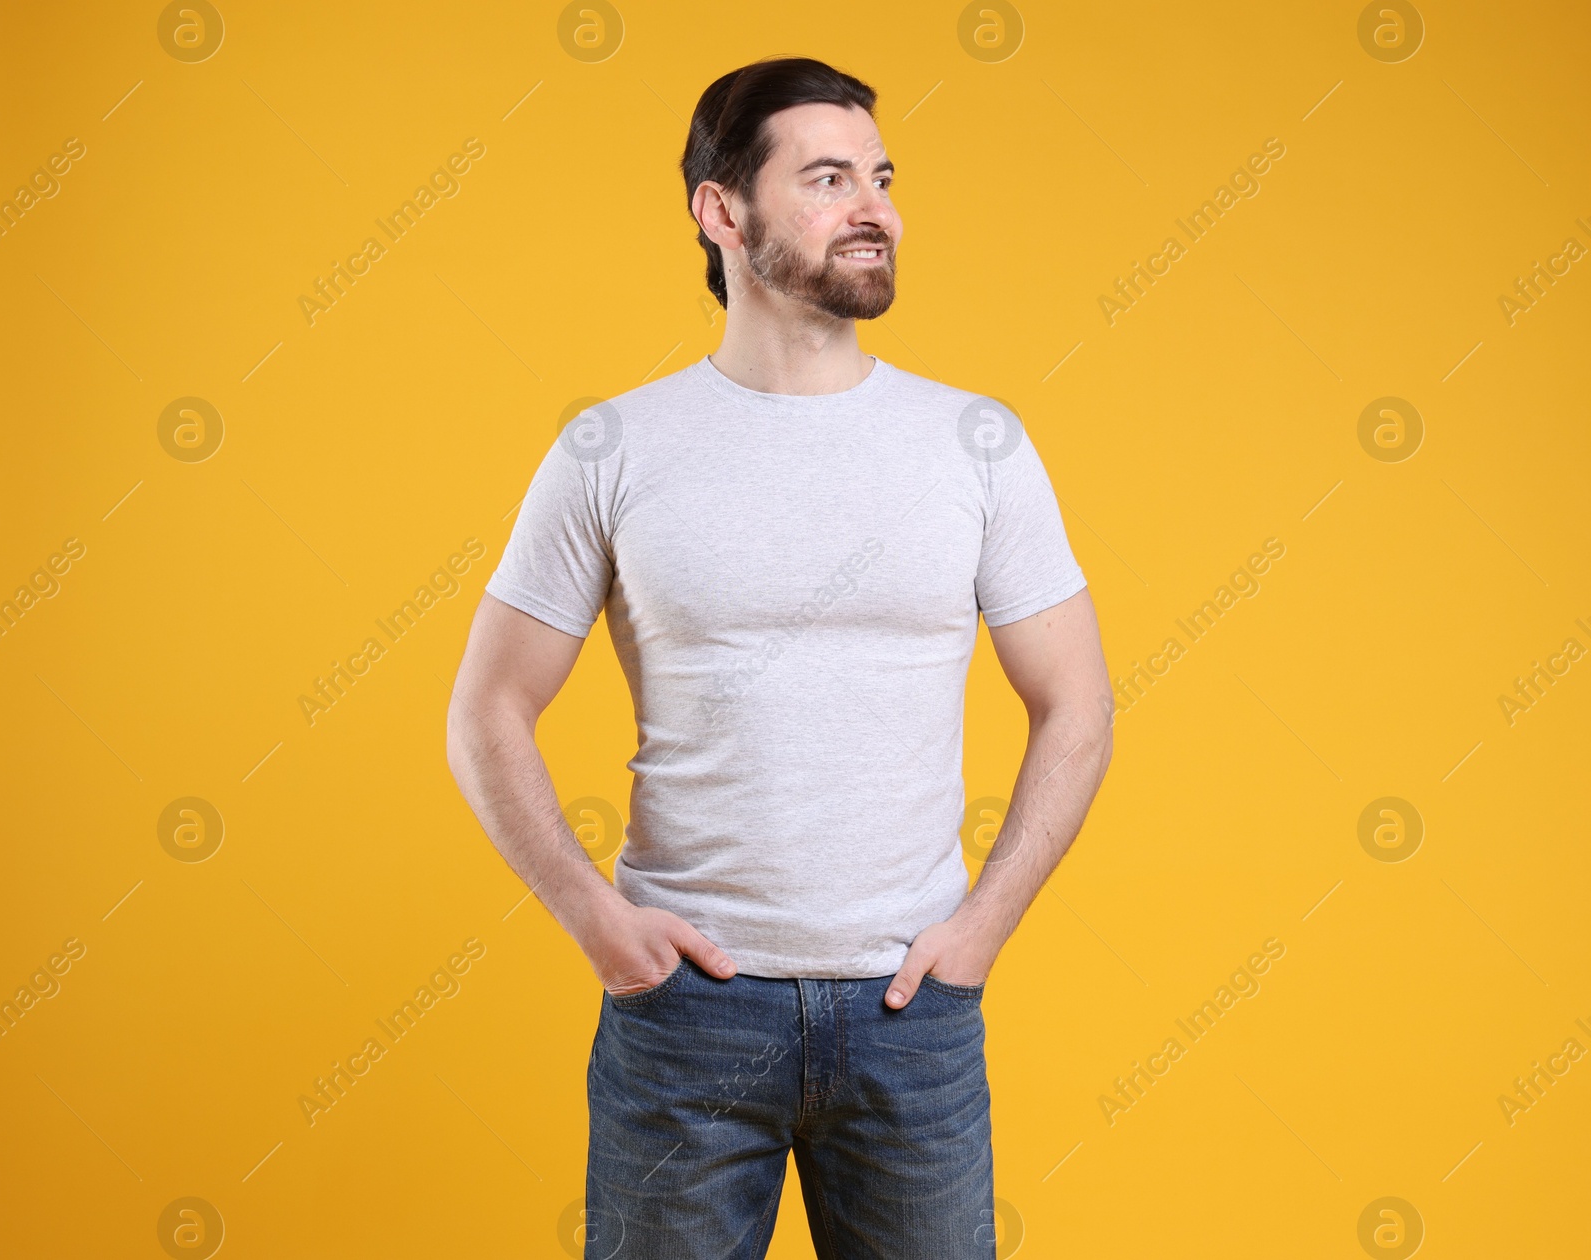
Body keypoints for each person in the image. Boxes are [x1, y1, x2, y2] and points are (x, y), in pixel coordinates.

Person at [446, 54, 1113, 1260]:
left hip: (914, 1013)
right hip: (686, 1018)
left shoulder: (975, 443)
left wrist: (980, 930)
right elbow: (487, 707)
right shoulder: (613, 449)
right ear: (721, 211)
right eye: (826, 179)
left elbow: (1075, 702)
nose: (874, 207)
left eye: (882, 176)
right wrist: (600, 924)